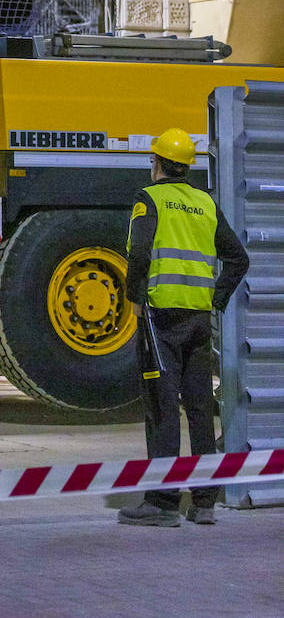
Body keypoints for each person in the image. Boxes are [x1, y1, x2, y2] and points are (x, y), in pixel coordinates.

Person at [118, 128, 249, 528]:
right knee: (198, 410)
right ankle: (204, 502)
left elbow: (139, 252)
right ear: (187, 166)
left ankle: (162, 503)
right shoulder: (205, 202)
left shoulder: (149, 198)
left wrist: (134, 299)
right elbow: (237, 259)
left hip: (161, 319)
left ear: (156, 162)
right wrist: (216, 299)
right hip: (197, 320)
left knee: (162, 409)